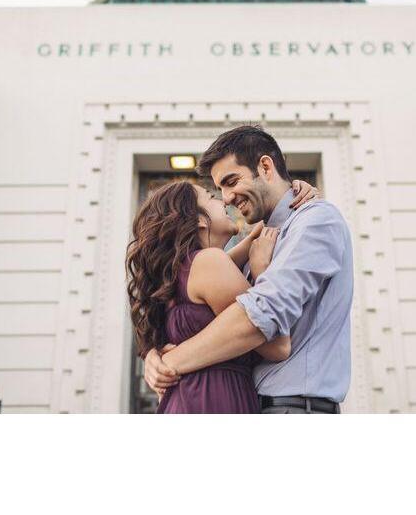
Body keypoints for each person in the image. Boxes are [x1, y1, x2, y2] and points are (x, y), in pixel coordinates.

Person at [144, 125, 354, 414]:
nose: (226, 198)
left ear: (265, 167)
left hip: (293, 408)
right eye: (217, 191)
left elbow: (261, 315)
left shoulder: (315, 221)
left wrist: (170, 361)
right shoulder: (255, 243)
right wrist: (153, 355)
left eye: (231, 182)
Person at [126, 177, 318, 413]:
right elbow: (278, 346)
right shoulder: (208, 262)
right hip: (213, 400)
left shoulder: (181, 273)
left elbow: (251, 240)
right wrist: (262, 272)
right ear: (198, 219)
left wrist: (291, 190)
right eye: (211, 197)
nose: (224, 201)